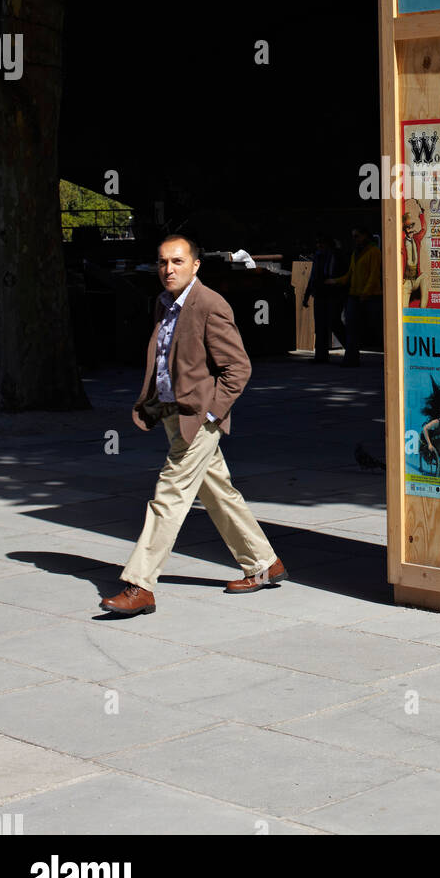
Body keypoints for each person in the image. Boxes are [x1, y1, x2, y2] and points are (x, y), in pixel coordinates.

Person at [100, 236, 286, 617]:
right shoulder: (164, 303)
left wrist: (214, 415)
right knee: (218, 491)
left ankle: (140, 585)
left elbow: (238, 368)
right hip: (172, 414)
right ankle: (263, 563)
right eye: (163, 261)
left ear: (196, 265)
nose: (169, 269)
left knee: (169, 495)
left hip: (199, 418)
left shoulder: (210, 304)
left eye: (178, 261)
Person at [327, 226, 382, 367]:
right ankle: (351, 358)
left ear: (365, 236)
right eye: (353, 236)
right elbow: (350, 275)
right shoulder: (355, 253)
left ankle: (391, 356)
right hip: (355, 295)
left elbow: (374, 275)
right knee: (351, 326)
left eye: (357, 236)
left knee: (377, 326)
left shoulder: (374, 252)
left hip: (371, 296)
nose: (355, 239)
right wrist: (335, 281)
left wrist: (366, 292)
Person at [302, 231, 347, 363]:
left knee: (334, 322)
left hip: (333, 292)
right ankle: (321, 356)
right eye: (318, 243)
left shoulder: (336, 255)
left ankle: (351, 350)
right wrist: (307, 294)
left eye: (321, 243)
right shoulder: (318, 256)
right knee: (321, 325)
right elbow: (313, 276)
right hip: (321, 293)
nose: (319, 245)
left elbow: (341, 273)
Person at [401, 200, 428, 308]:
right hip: (406, 280)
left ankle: (423, 311)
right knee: (404, 307)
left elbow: (424, 229)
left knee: (425, 277)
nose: (410, 229)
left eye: (411, 226)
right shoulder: (402, 242)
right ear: (405, 229)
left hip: (416, 278)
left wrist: (422, 213)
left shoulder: (416, 239)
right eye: (408, 227)